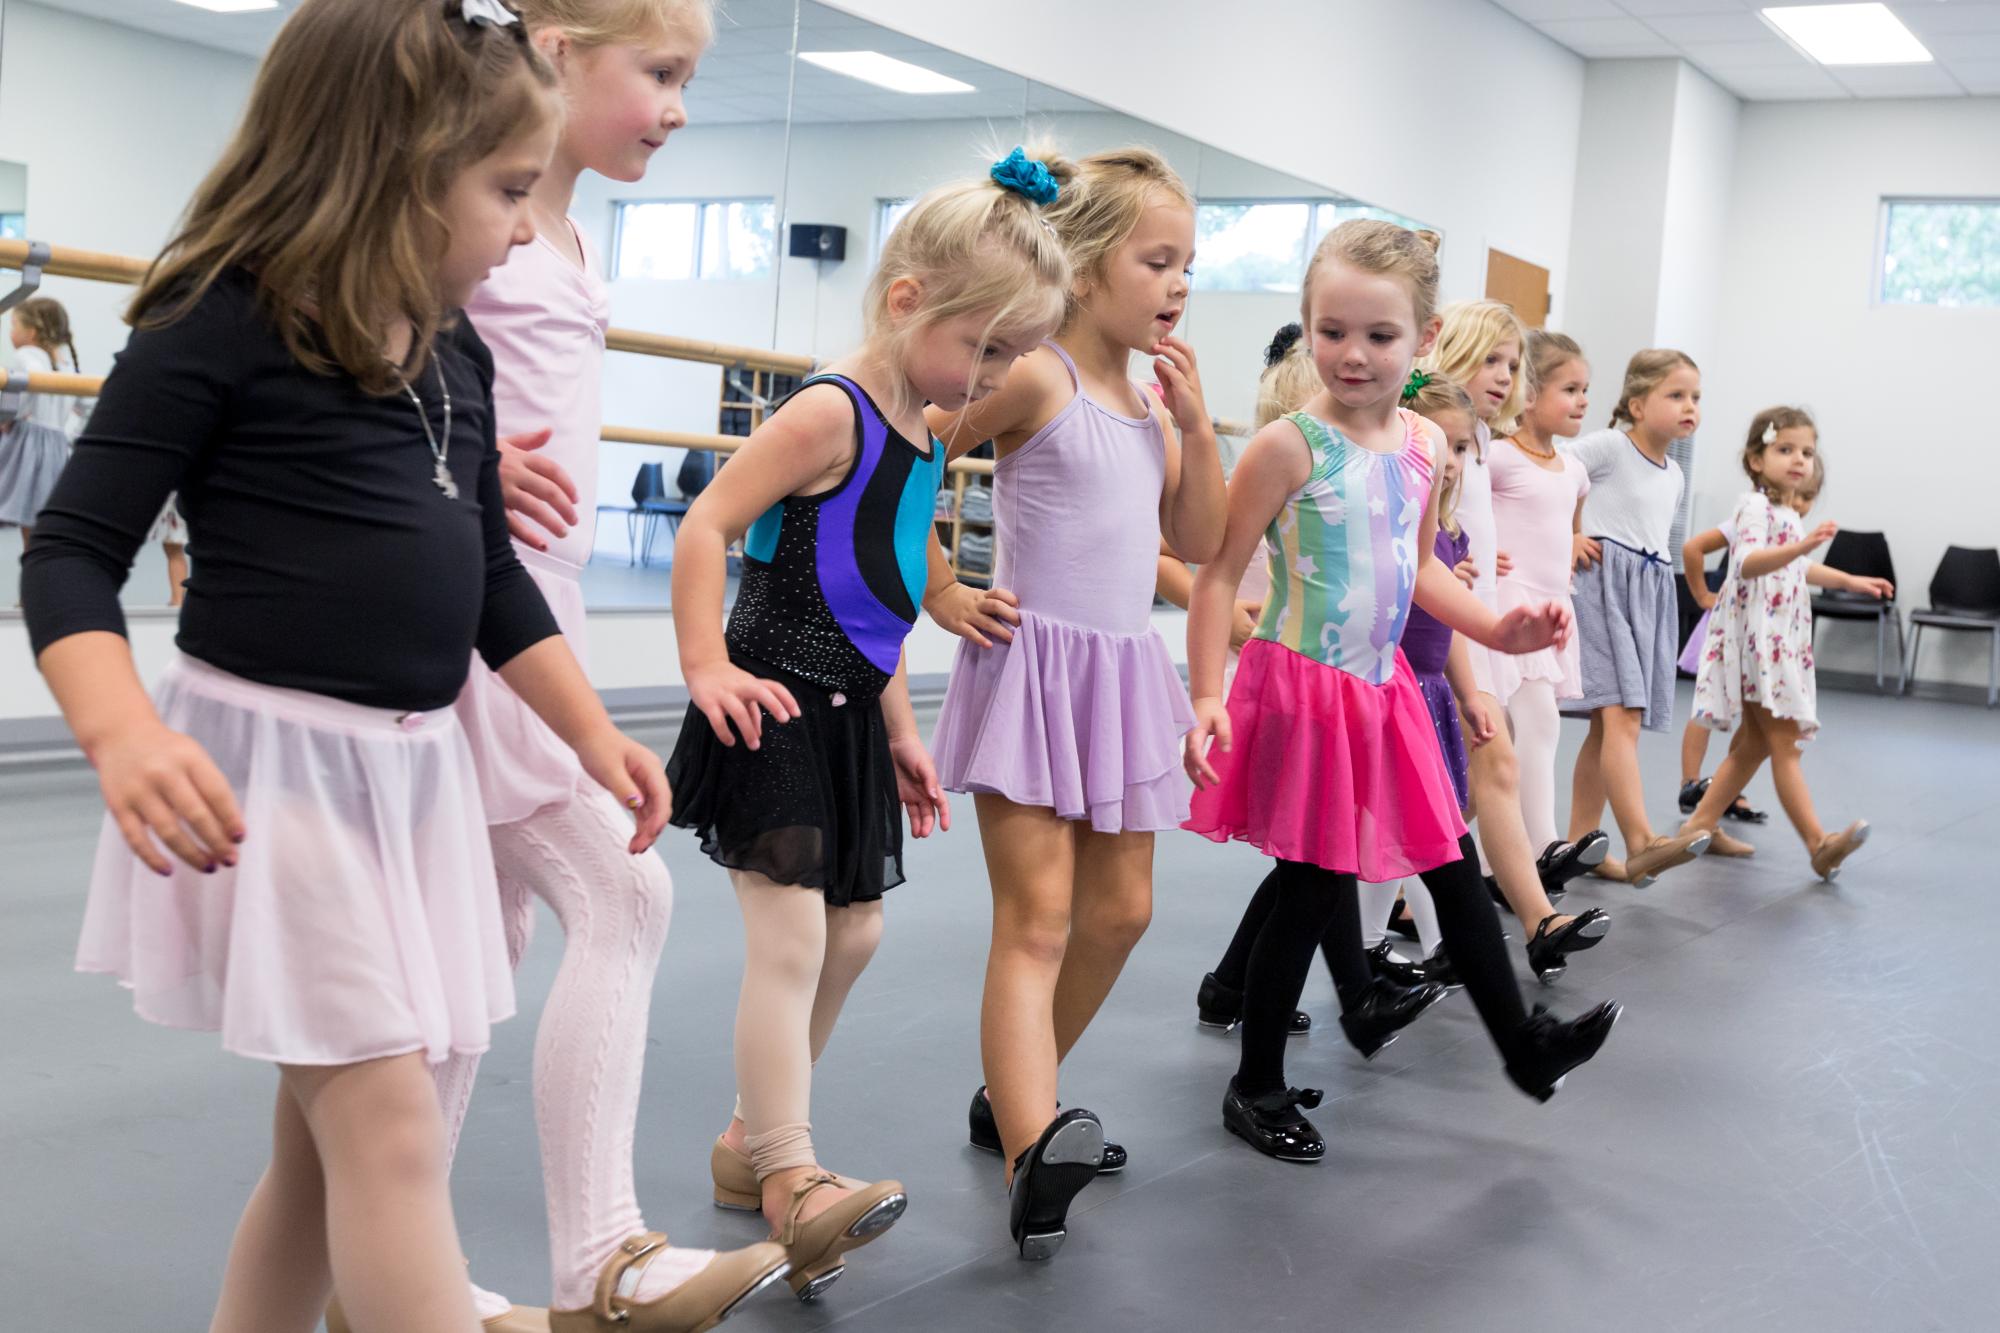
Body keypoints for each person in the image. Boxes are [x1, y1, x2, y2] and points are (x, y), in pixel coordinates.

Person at [18, 5, 673, 1328]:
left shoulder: (456, 342)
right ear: (393, 166)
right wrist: (124, 734)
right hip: (280, 779)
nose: (522, 226)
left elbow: (491, 578)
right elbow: (73, 552)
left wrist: (586, 731)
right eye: (502, 190)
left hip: (409, 774)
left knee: (321, 1164)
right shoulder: (225, 313)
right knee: (387, 1136)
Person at [666, 147, 1072, 1295]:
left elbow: (883, 588)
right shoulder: (826, 413)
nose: (989, 376)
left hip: (849, 711)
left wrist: (899, 724)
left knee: (855, 935)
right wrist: (703, 664)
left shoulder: (925, 421)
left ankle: (748, 1140)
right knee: (792, 940)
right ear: (905, 302)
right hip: (768, 704)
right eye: (982, 348)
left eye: (1012, 358)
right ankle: (792, 1180)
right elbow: (707, 527)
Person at [1182, 219, 1620, 1165]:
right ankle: (1254, 1084)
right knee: (1309, 887)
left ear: (1421, 341)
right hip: (1305, 688)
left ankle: (1526, 1047)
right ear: (1307, 328)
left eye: (1378, 336)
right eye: (1331, 330)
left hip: (1381, 690)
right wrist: (1209, 691)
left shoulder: (1426, 442)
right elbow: (1219, 574)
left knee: (1452, 866)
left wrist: (1493, 629)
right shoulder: (1286, 447)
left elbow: (1416, 565)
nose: (1352, 353)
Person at [924, 145, 1226, 1260]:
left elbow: (1192, 541)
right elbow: (907, 447)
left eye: (1187, 264)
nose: (1178, 282)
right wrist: (942, 585)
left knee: (1120, 912)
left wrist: (1195, 428)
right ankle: (1028, 1145)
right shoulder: (1034, 370)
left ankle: (1015, 1093)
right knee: (1039, 915)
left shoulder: (1149, 400)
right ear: (1087, 266)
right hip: (1032, 671)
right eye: (1158, 260)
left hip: (1119, 675)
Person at [1682, 408, 1885, 881]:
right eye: (1785, 449)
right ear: (1756, 459)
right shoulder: (1754, 508)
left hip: (1780, 640)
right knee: (1785, 742)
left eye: (1807, 452)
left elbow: (1798, 569)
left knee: (1753, 745)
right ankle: (1818, 843)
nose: (1798, 459)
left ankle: (1700, 824)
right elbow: (1750, 561)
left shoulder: (1789, 513)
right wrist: (1801, 546)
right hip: (1761, 643)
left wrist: (1849, 580)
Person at [1565, 349, 1714, 885]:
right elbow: (1554, 474)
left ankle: (1580, 846)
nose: (1689, 406)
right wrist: (1570, 534)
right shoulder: (1610, 447)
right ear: (1636, 403)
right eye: (1675, 395)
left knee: (1609, 730)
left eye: (1695, 396)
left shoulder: (1674, 473)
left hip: (1646, 591)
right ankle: (1641, 841)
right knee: (1621, 716)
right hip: (1601, 586)